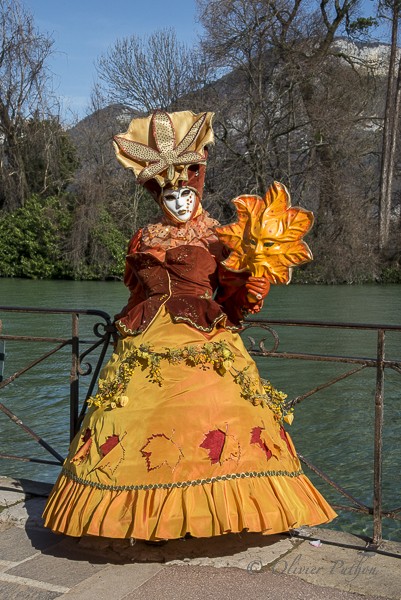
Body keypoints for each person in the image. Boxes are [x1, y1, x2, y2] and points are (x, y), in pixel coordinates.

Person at [43, 110, 336, 540]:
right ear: (158, 199)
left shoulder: (219, 237)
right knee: (130, 424)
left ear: (198, 190)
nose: (179, 202)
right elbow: (135, 295)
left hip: (203, 341)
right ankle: (138, 521)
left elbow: (233, 302)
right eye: (169, 196)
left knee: (209, 417)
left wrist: (255, 278)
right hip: (142, 342)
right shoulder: (144, 238)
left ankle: (216, 516)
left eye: (185, 193)